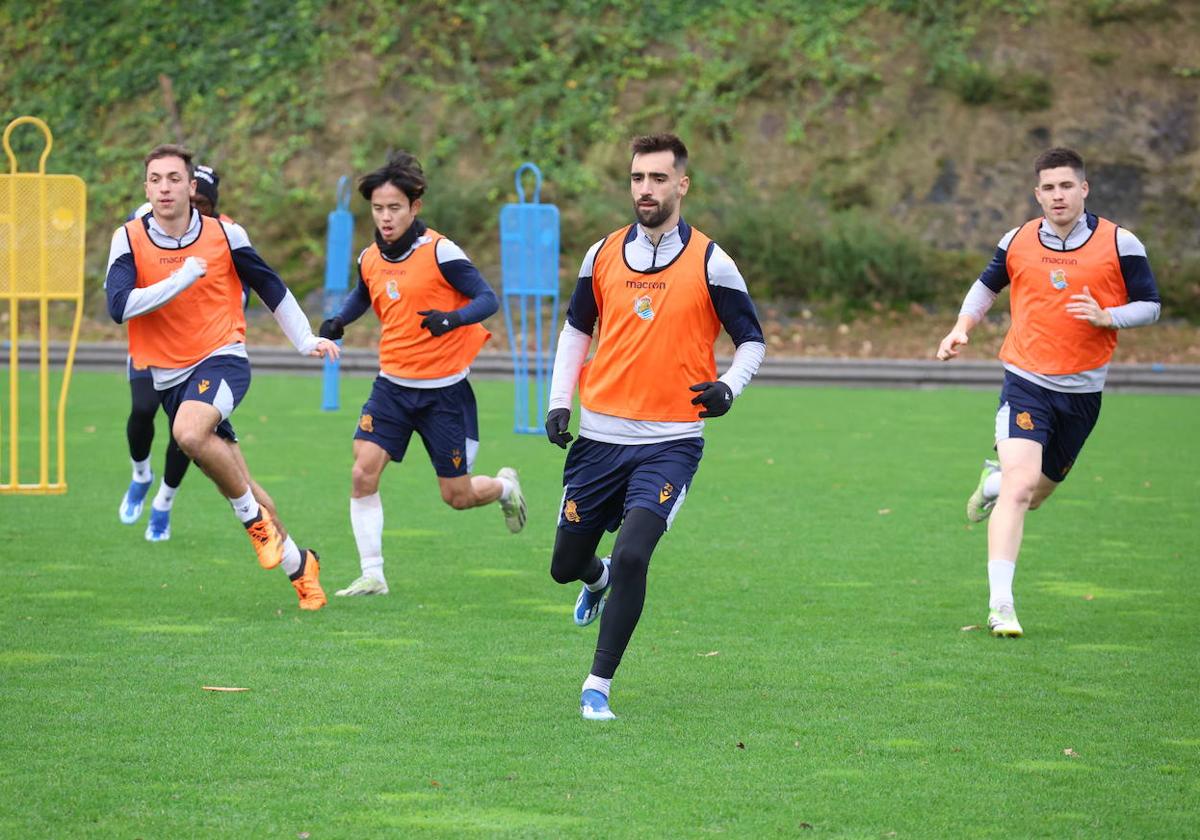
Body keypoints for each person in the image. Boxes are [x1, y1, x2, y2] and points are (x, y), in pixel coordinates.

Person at [544, 133, 766, 720]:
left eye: (658, 179)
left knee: (637, 555)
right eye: (638, 178)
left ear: (682, 185)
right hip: (598, 440)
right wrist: (558, 402)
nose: (646, 189)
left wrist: (728, 388)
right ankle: (597, 580)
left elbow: (751, 341)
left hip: (670, 443)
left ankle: (598, 685)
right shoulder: (602, 255)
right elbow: (575, 333)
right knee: (565, 566)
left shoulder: (712, 261)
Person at [936, 147, 1160, 638]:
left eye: (1066, 186)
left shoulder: (1121, 243)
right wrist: (961, 326)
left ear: (1084, 189)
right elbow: (985, 287)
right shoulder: (1017, 240)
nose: (1058, 195)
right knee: (1022, 487)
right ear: (1037, 194)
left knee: (1034, 494)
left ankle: (992, 485)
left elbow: (1151, 305)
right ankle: (1002, 606)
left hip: (1083, 394)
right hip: (1026, 381)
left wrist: (1110, 316)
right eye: (1048, 188)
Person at [105, 144, 340, 610]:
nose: (165, 187)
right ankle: (300, 565)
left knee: (188, 433)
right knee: (243, 481)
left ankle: (253, 526)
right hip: (171, 378)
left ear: (191, 187)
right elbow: (119, 307)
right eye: (156, 179)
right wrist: (181, 279)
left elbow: (271, 285)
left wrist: (305, 339)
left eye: (174, 178)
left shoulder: (225, 235)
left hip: (222, 358)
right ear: (146, 187)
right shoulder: (128, 237)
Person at [318, 151, 527, 598]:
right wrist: (340, 320)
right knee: (362, 473)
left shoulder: (441, 251)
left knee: (457, 497)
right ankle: (373, 573)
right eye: (378, 208)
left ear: (415, 207)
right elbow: (365, 293)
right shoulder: (370, 256)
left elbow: (487, 299)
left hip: (442, 395)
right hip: (391, 387)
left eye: (395, 207)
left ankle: (504, 486)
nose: (386, 217)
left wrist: (451, 320)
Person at [118, 164, 225, 541]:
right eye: (193, 199)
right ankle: (140, 474)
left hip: (199, 350)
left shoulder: (222, 236)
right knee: (143, 409)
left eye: (205, 203)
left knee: (186, 431)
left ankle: (164, 501)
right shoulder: (141, 223)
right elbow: (123, 285)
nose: (197, 207)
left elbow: (240, 289)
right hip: (150, 342)